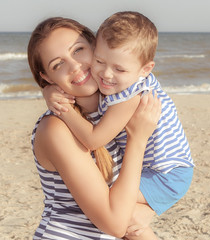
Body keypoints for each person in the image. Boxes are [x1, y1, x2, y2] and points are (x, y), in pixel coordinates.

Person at [44, 11, 195, 236]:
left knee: (115, 206)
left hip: (165, 175)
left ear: (145, 70)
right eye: (99, 61)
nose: (106, 74)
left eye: (119, 69)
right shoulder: (126, 81)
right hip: (164, 171)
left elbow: (93, 139)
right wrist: (49, 90)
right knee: (131, 223)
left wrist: (63, 110)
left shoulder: (130, 97)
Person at [27, 17, 161, 239]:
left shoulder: (110, 116)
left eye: (78, 50)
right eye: (57, 65)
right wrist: (138, 139)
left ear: (97, 46)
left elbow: (121, 201)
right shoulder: (55, 128)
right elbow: (116, 224)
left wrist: (148, 209)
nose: (75, 66)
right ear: (46, 77)